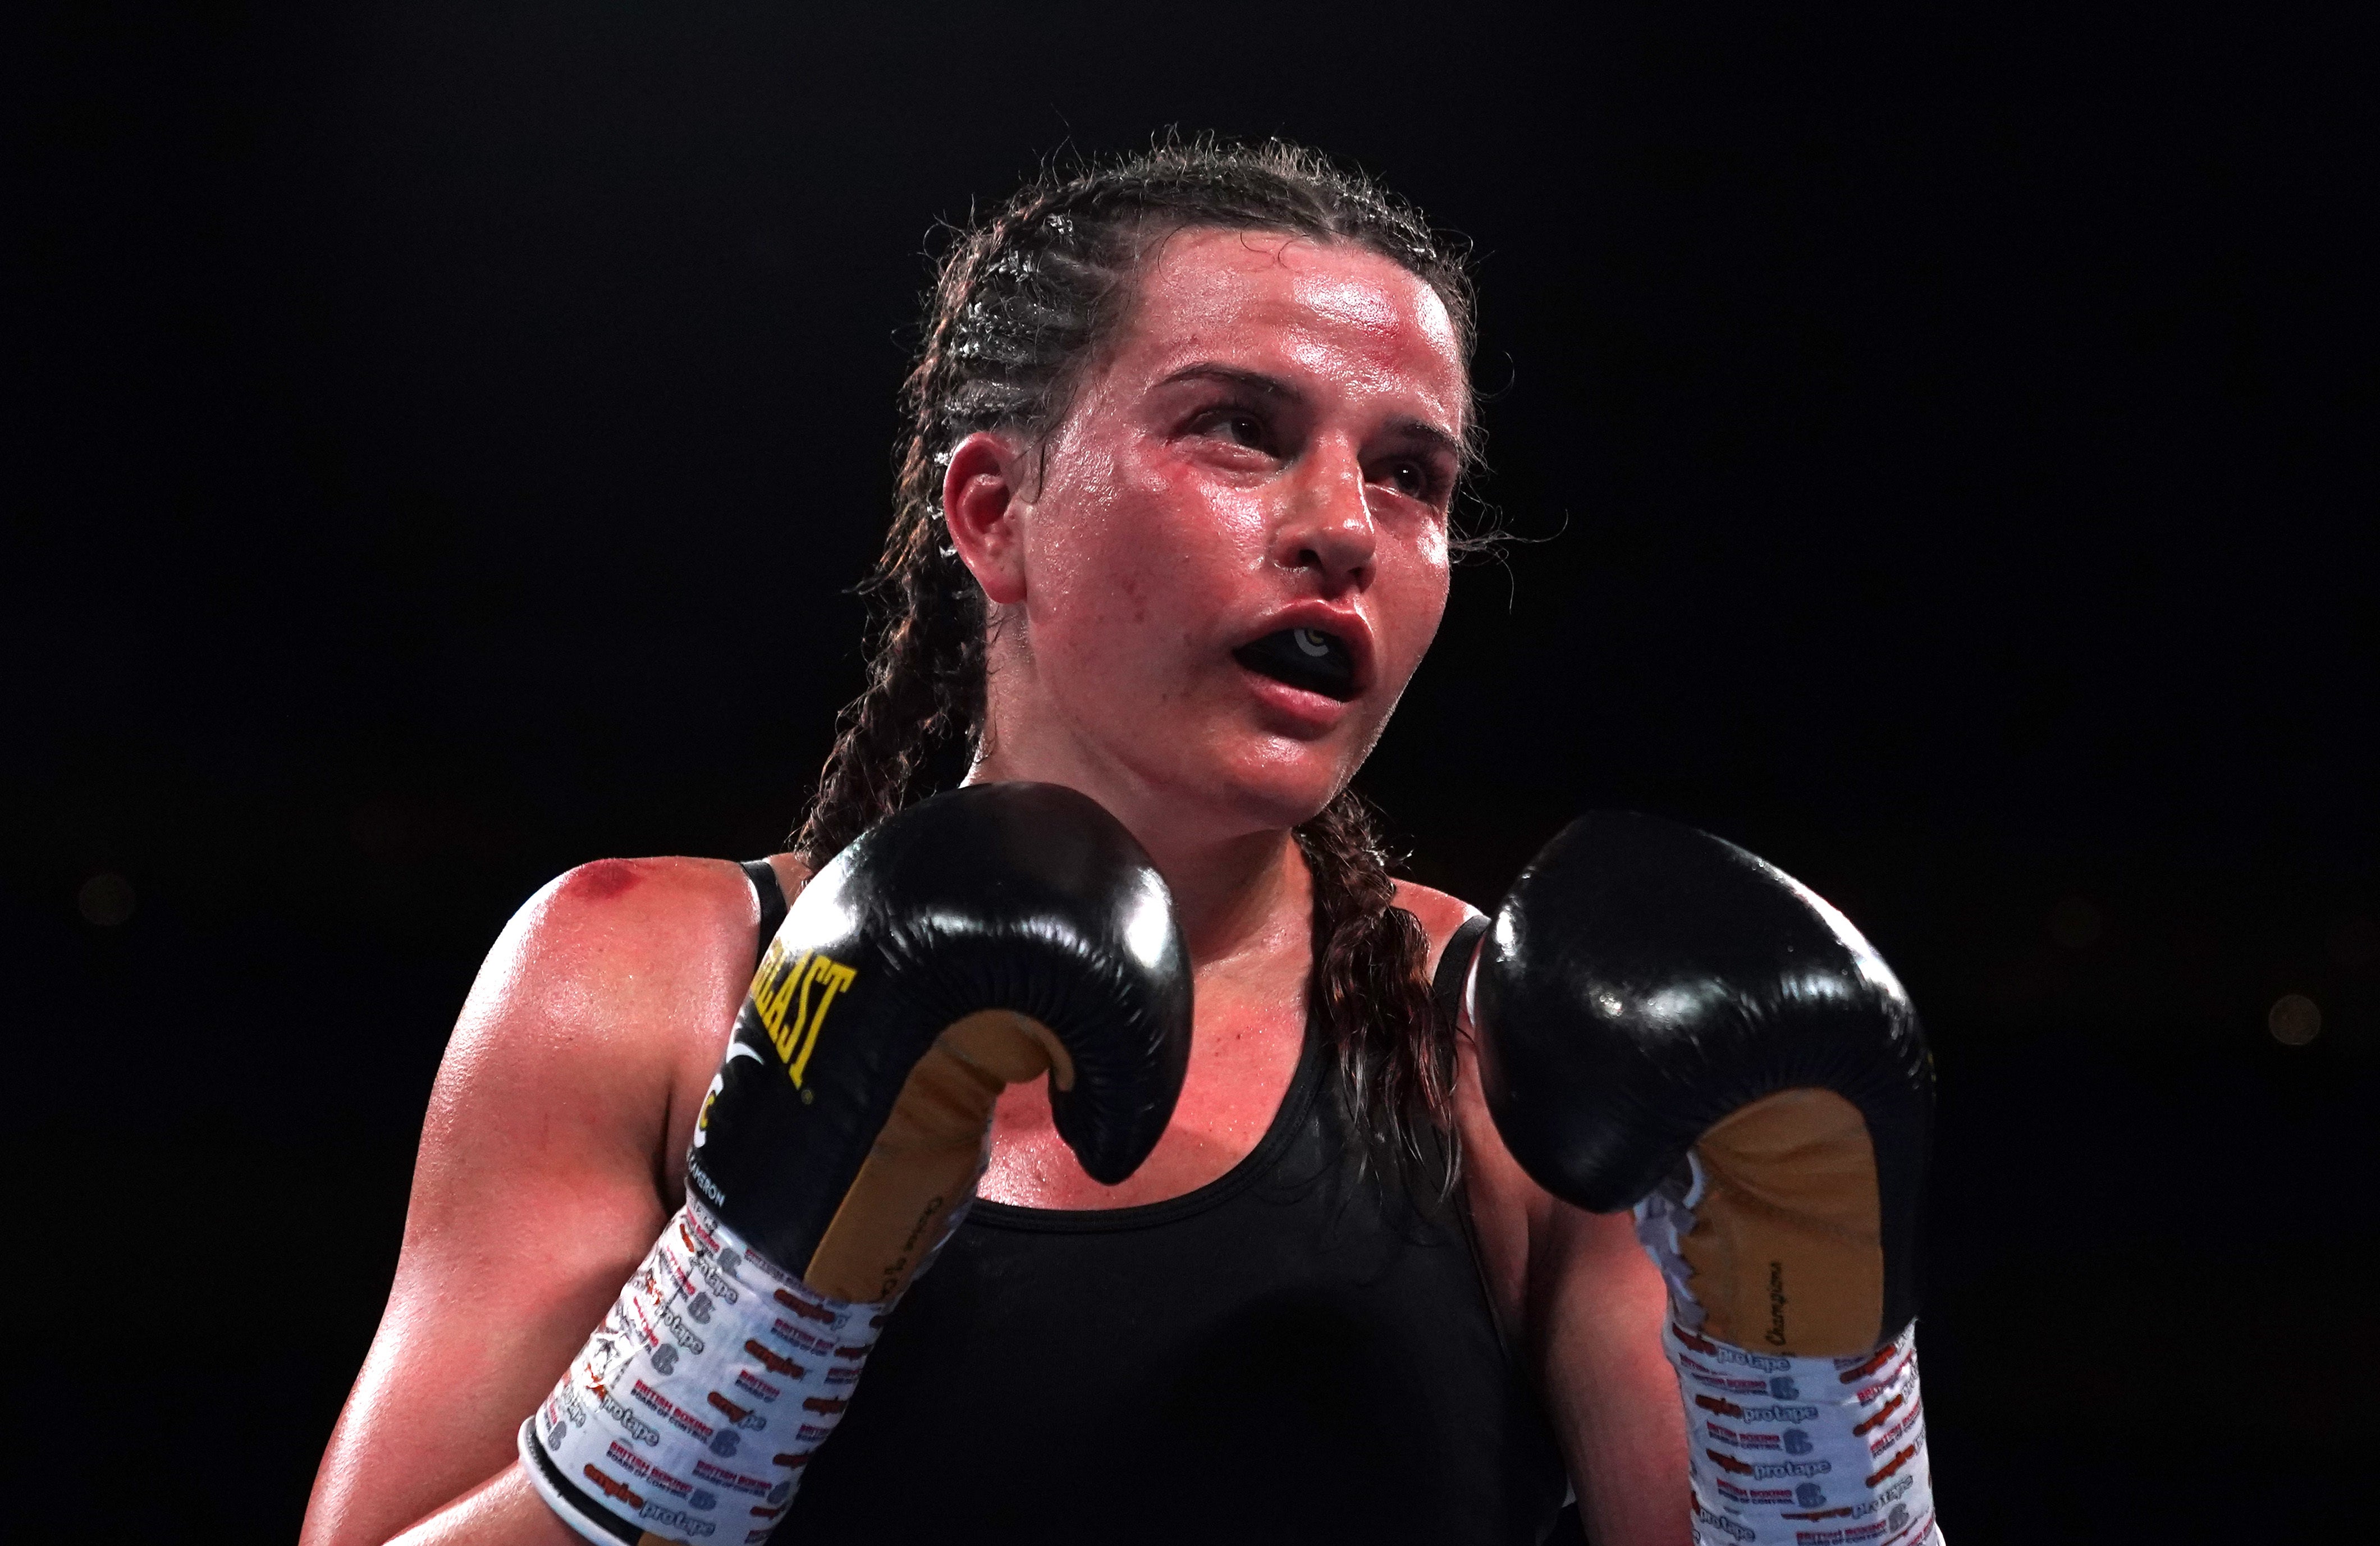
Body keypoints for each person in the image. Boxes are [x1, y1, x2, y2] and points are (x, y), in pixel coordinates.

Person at [300, 140, 1691, 1546]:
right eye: (1238, 430)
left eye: (1409, 475)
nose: (1343, 529)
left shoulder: (1506, 1044)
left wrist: (1814, 1350)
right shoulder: (647, 980)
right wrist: (754, 1300)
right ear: (994, 512)